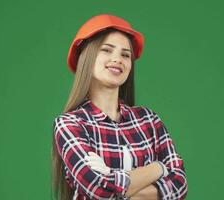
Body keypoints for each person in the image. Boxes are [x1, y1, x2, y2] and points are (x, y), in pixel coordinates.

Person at [52, 14, 188, 200]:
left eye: (125, 54)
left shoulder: (148, 120)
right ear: (87, 58)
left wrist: (112, 176)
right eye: (107, 50)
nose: (118, 59)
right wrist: (158, 169)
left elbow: (180, 186)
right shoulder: (70, 124)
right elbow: (99, 189)